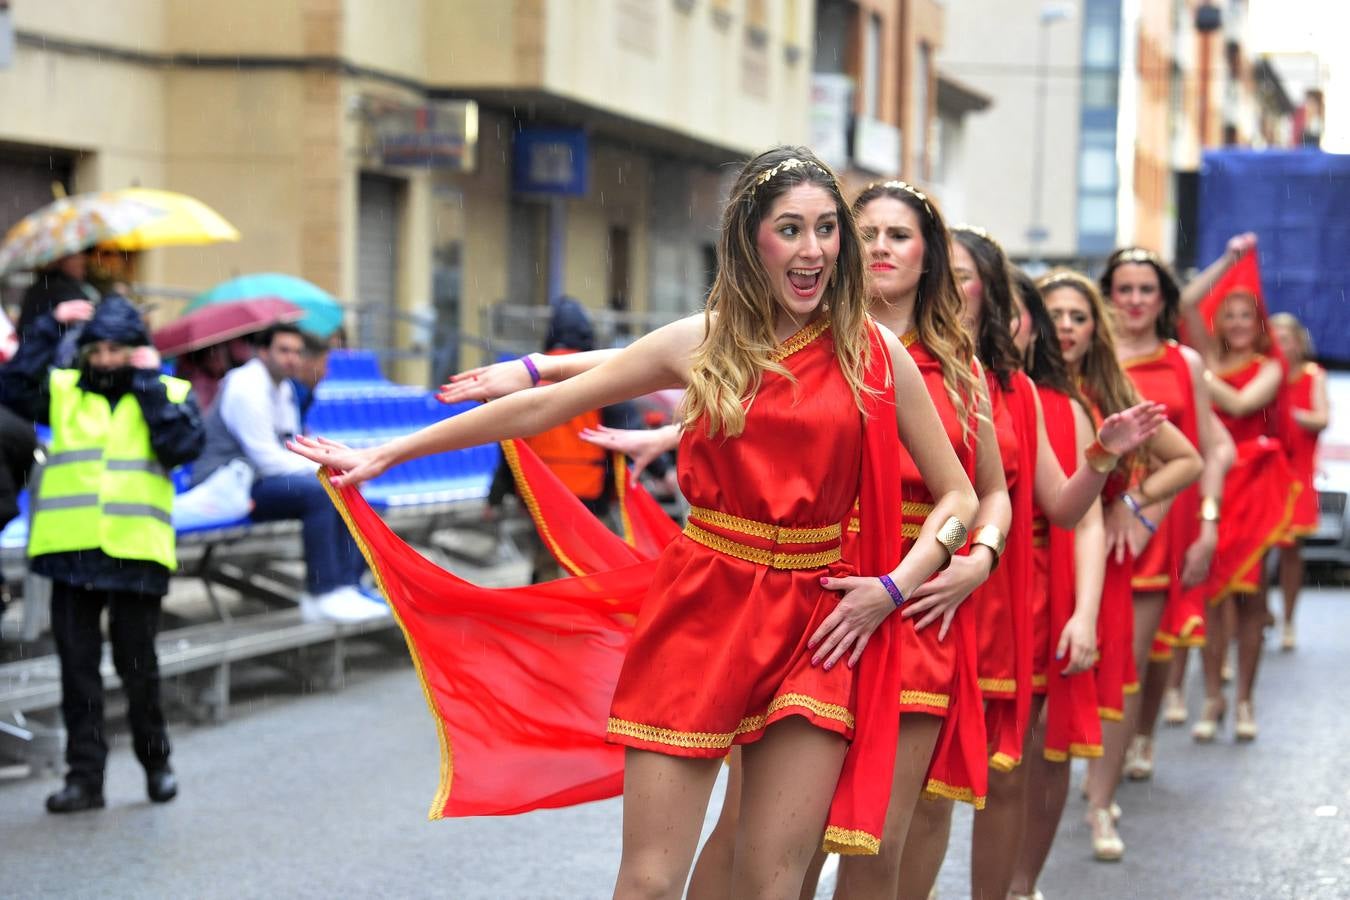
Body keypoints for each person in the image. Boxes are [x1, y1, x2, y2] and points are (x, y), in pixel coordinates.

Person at [290, 147, 980, 897]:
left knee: (773, 883)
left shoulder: (873, 353)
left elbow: (959, 497)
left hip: (820, 620)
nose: (812, 250)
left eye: (825, 229)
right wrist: (388, 451)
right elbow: (546, 407)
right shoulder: (702, 341)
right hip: (705, 606)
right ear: (752, 240)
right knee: (650, 881)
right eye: (790, 229)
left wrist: (895, 583)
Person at [898, 230, 1165, 900]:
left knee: (1003, 773)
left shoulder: (1020, 393)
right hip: (908, 593)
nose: (947, 290)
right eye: (941, 275)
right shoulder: (884, 361)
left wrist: (1101, 457)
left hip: (998, 598)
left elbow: (1066, 508)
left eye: (961, 278)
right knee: (912, 785)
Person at [0, 295, 204, 813]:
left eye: (119, 350)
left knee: (140, 669)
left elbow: (182, 447)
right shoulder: (65, 389)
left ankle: (157, 765)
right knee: (79, 672)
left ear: (138, 350)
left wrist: (150, 383)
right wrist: (48, 326)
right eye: (99, 349)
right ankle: (85, 780)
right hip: (70, 552)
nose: (107, 359)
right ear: (86, 351)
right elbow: (13, 386)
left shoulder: (168, 390)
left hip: (136, 554)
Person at [1040, 269, 1203, 862]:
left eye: (1078, 318)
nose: (1065, 327)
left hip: (1102, 557)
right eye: (1055, 315)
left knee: (1116, 677)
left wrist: (1134, 505)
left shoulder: (1113, 391)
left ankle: (1099, 804)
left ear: (1095, 327)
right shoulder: (1020, 384)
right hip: (1032, 559)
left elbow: (1187, 459)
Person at [1098, 242, 1240, 780]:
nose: (1134, 301)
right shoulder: (1090, 353)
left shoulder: (1185, 361)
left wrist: (1207, 519)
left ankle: (1139, 737)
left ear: (1163, 300)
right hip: (1096, 512)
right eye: (1124, 289)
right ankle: (1096, 744)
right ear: (1109, 295)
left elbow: (1214, 446)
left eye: (1146, 290)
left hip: (1165, 517)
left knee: (1147, 649)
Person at [191, 323, 384, 623]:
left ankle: (347, 586)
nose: (292, 359)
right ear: (263, 351)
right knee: (321, 492)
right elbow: (267, 458)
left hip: (256, 479)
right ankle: (323, 593)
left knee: (346, 484)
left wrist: (337, 466)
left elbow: (290, 443)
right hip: (227, 483)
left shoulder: (281, 387)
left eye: (297, 352)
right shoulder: (246, 386)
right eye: (283, 350)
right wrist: (325, 468)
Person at [1178, 251, 1293, 745]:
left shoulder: (1269, 366)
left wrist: (1196, 378)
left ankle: (1243, 698)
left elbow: (1244, 403)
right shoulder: (1204, 351)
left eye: (1249, 314)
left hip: (1257, 486)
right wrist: (1227, 261)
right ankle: (1211, 696)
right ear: (1218, 319)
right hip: (1213, 483)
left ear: (1259, 322)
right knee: (1209, 593)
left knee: (1249, 597)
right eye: (1231, 313)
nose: (1240, 322)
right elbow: (1184, 302)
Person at [1269, 312, 1327, 651]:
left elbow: (1323, 418)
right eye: (1274, 337)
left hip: (1297, 475)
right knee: (1255, 551)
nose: (1281, 344)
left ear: (1298, 342)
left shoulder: (1311, 375)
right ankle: (1259, 612)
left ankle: (1288, 618)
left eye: (1286, 338)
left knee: (1292, 551)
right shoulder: (1264, 373)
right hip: (1265, 473)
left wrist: (1292, 417)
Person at [17, 252, 100, 338]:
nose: (82, 259)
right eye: (74, 256)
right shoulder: (55, 288)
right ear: (60, 261)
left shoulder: (71, 285)